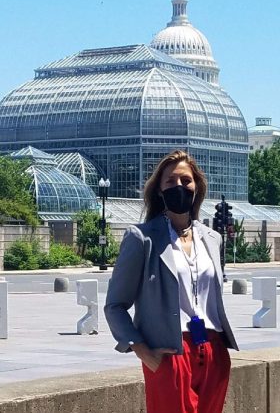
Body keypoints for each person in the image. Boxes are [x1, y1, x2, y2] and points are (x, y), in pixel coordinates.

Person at [104, 150, 238, 413]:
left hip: (213, 349)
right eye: (171, 182)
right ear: (159, 190)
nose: (180, 187)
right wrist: (143, 352)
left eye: (186, 181)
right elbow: (115, 305)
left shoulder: (212, 238)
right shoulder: (142, 238)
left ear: (197, 187)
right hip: (169, 352)